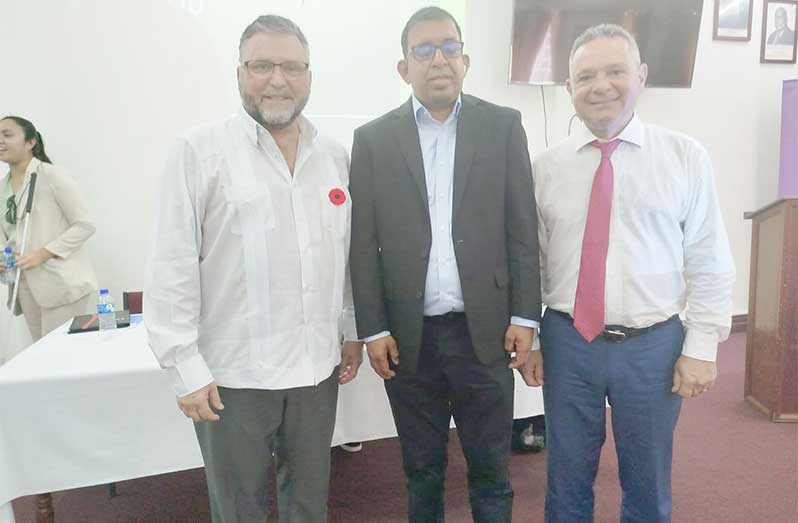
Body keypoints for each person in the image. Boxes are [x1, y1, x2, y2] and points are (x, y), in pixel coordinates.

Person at [145, 15, 362, 523]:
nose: (278, 79)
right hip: (233, 376)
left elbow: (346, 255)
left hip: (315, 370)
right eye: (262, 65)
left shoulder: (333, 156)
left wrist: (349, 329)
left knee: (308, 503)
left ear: (309, 74)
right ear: (240, 73)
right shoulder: (197, 153)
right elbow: (170, 265)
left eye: (292, 66)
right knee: (238, 508)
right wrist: (184, 368)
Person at [531, 24, 735, 522]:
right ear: (569, 90)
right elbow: (532, 262)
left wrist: (702, 347)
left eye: (615, 71)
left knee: (647, 484)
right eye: (585, 76)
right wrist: (533, 337)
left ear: (641, 76)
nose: (601, 85)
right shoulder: (545, 168)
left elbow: (708, 257)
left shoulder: (684, 157)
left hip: (653, 348)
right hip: (568, 344)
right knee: (564, 481)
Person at [349, 7, 543, 522]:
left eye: (449, 48)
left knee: (491, 473)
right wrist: (372, 328)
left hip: (486, 335)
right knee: (422, 471)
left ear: (465, 60)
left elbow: (522, 229)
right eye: (424, 50)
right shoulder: (372, 140)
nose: (439, 60)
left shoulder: (503, 127)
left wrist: (526, 318)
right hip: (409, 341)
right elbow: (362, 245)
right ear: (403, 67)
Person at [0, 116, 97, 342]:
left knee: (61, 358)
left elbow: (85, 225)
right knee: (42, 360)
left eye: (7, 135)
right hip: (24, 285)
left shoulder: (52, 175)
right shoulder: (2, 187)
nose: (0, 141)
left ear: (30, 142)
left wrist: (42, 254)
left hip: (61, 284)